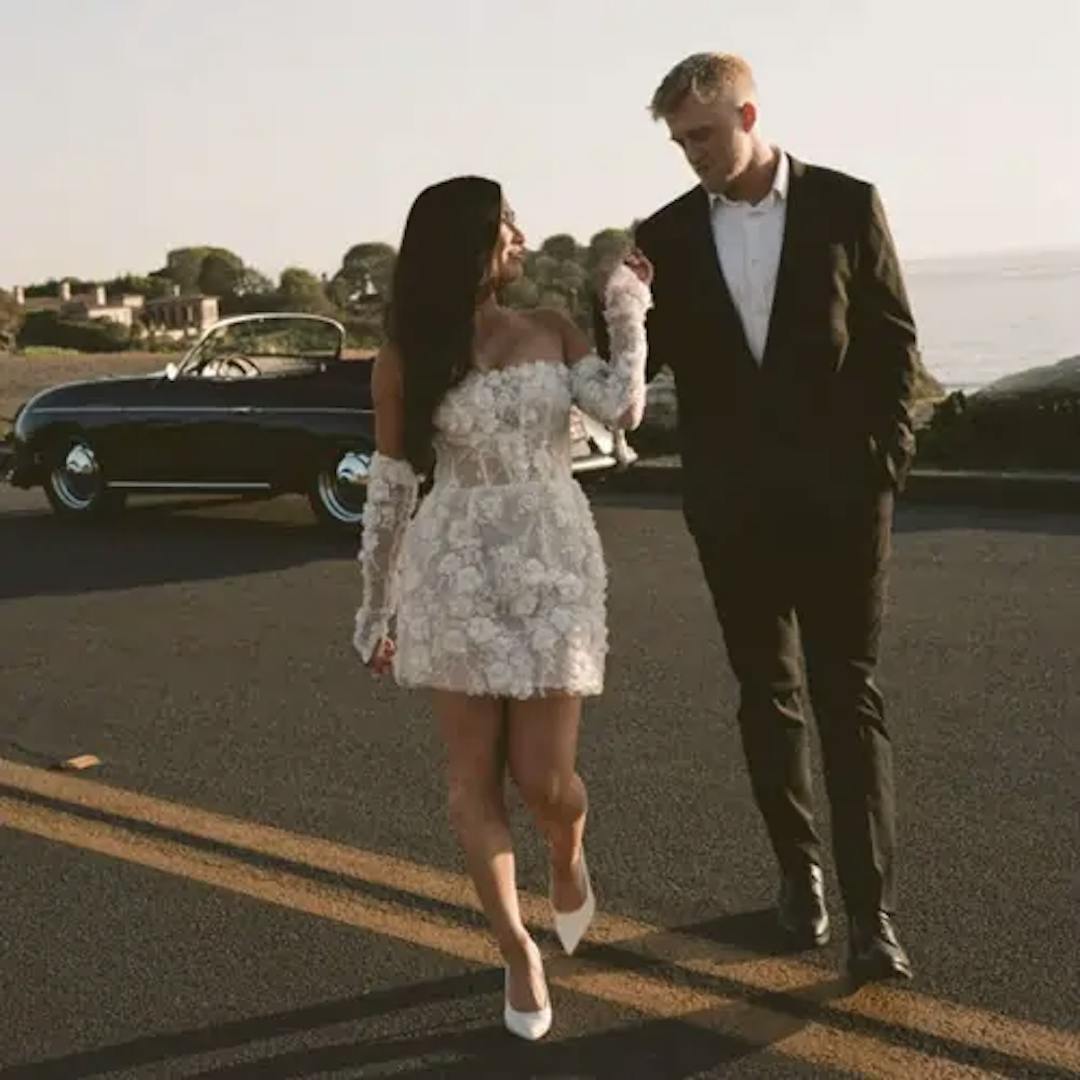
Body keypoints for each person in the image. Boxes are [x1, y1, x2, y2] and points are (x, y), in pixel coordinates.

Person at [623, 53, 919, 982]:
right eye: (680, 143)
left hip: (843, 505)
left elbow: (893, 344)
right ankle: (802, 882)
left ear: (748, 115)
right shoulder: (665, 235)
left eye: (704, 136)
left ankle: (872, 918)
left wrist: (882, 470)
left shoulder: (846, 204)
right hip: (733, 511)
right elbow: (636, 370)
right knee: (767, 695)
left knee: (848, 697)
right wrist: (621, 303)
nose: (693, 155)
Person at [352, 176, 653, 1039]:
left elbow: (622, 406)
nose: (520, 234)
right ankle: (517, 949)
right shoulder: (404, 358)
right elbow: (392, 488)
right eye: (506, 222)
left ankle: (567, 849)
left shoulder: (552, 325)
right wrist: (376, 607)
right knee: (472, 780)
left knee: (546, 782)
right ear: (469, 241)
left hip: (552, 566)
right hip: (453, 572)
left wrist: (626, 304)